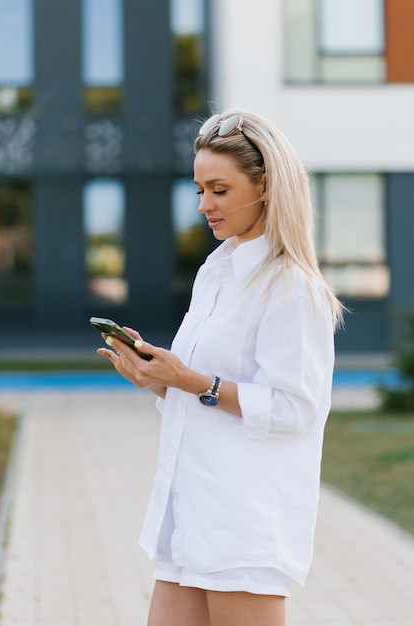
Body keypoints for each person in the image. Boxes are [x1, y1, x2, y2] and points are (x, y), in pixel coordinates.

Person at [97, 109, 344, 626]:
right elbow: (212, 392)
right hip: (188, 515)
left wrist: (188, 379)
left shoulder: (290, 286)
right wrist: (159, 380)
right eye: (198, 191)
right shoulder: (217, 271)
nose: (204, 206)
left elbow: (295, 410)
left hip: (242, 525)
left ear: (266, 187)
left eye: (219, 190)